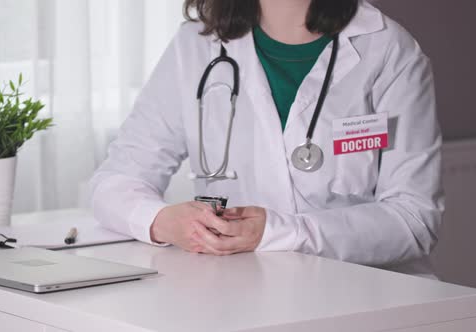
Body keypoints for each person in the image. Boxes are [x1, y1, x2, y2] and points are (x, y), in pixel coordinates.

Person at [90, 0, 442, 277]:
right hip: (239, 296)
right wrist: (163, 221)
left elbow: (413, 221)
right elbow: (115, 183)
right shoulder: (195, 45)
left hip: (371, 297)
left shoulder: (387, 49)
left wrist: (279, 232)